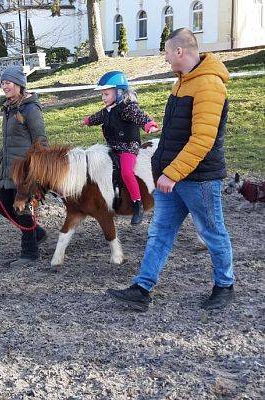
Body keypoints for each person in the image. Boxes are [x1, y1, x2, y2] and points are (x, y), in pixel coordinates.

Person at [107, 28, 234, 311]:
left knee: (213, 232)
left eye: (166, 52)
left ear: (179, 51)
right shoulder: (182, 82)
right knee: (159, 233)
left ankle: (225, 285)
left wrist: (172, 173)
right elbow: (174, 135)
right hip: (171, 178)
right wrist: (163, 169)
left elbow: (202, 140)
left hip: (198, 178)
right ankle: (143, 287)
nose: (164, 58)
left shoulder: (209, 85)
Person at [82, 71, 159, 224]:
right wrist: (88, 120)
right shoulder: (108, 110)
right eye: (102, 94)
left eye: (106, 94)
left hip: (128, 147)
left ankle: (137, 204)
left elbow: (139, 116)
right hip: (112, 147)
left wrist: (148, 124)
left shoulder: (128, 108)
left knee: (126, 172)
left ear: (118, 92)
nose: (103, 98)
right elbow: (98, 117)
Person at [0, 65, 48, 267]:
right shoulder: (8, 109)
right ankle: (37, 233)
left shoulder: (30, 109)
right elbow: (8, 141)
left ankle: (30, 253)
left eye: (8, 83)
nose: (4, 86)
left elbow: (40, 139)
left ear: (19, 85)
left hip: (25, 169)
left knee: (21, 208)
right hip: (8, 166)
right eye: (3, 83)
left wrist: (37, 167)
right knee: (2, 204)